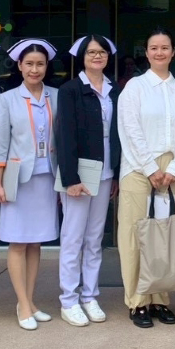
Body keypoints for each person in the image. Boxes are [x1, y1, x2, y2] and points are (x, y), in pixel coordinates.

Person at [117, 28, 175, 328]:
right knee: (135, 236)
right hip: (138, 168)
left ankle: (160, 299)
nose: (159, 52)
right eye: (153, 48)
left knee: (166, 235)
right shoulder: (134, 88)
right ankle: (138, 302)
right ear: (146, 53)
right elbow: (130, 129)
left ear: (173, 52)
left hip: (173, 171)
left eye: (165, 47)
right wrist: (150, 168)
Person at [0, 38, 61, 331]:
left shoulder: (56, 96)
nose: (35, 69)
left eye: (40, 64)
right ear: (19, 66)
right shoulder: (7, 99)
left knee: (36, 242)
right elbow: (0, 144)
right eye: (29, 64)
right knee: (18, 241)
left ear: (47, 67)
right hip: (18, 178)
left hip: (47, 177)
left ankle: (30, 301)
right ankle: (22, 304)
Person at [54, 34, 120, 326]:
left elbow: (118, 134)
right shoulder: (70, 90)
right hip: (79, 173)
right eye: (91, 52)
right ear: (82, 56)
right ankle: (69, 299)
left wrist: (116, 171)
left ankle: (90, 295)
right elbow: (65, 135)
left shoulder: (114, 89)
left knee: (94, 238)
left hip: (105, 171)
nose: (97, 56)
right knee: (73, 237)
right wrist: (70, 178)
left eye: (102, 51)